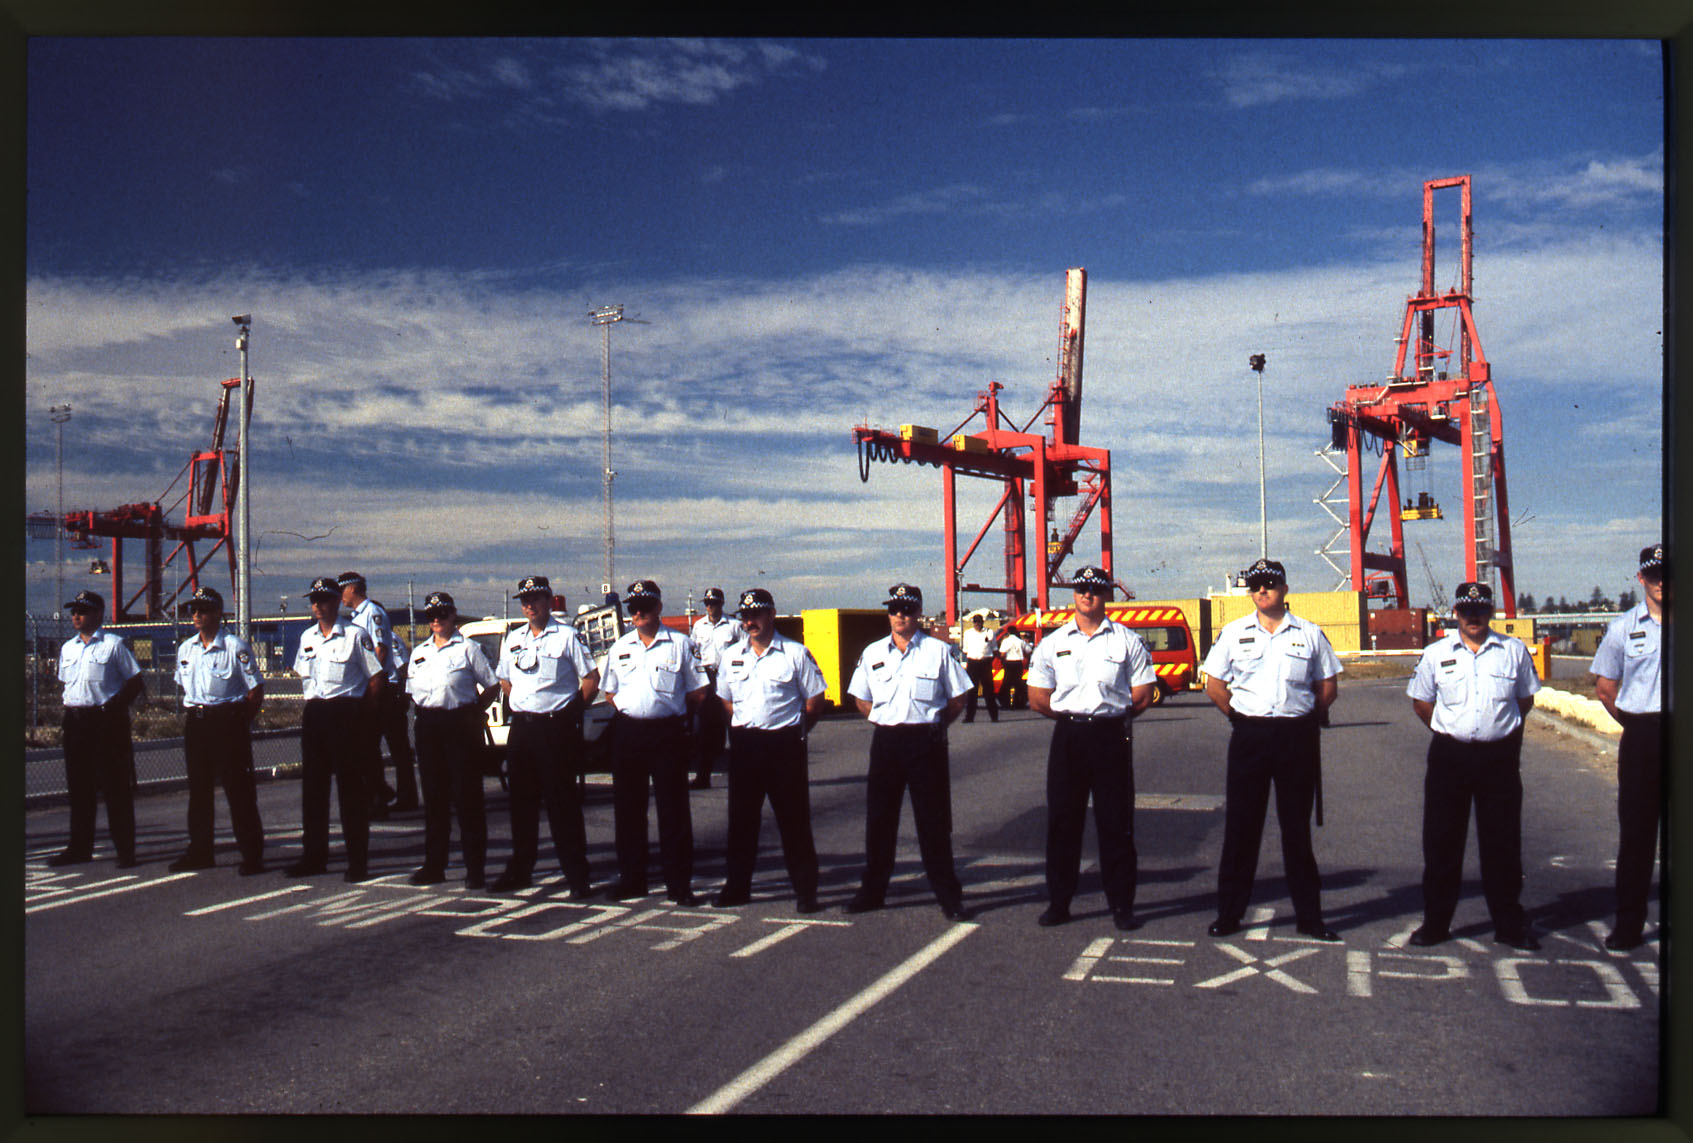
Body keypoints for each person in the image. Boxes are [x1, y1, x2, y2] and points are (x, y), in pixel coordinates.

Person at [1202, 558, 1343, 942]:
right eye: (1255, 585)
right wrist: (1239, 718)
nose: (1261, 590)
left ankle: (1310, 918)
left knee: (1296, 831)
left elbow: (1327, 686)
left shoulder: (1310, 634)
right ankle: (1230, 914)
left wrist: (1308, 718)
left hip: (1296, 738)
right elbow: (1214, 684)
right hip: (1250, 735)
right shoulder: (1233, 633)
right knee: (1241, 829)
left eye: (1269, 584)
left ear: (1284, 588)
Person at [1406, 580, 1542, 950]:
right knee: (1441, 844)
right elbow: (1422, 702)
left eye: (1480, 610)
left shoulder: (1513, 651)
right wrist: (1455, 730)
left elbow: (1524, 700)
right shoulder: (1436, 654)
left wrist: (1495, 731)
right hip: (1450, 757)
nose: (1474, 617)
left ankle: (1509, 925)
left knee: (1502, 844)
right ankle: (1436, 924)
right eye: (1467, 611)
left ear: (1491, 612)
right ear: (1456, 614)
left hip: (1499, 758)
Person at [1025, 566, 1157, 930]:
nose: (1088, 595)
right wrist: (1074, 717)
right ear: (1074, 595)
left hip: (1111, 737)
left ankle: (1121, 906)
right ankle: (1059, 902)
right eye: (1082, 589)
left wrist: (1106, 717)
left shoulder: (1127, 641)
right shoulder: (1053, 643)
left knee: (1116, 824)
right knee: (1063, 823)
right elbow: (1037, 697)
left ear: (1106, 596)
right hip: (1069, 737)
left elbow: (1143, 694)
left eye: (1096, 590)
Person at [843, 583, 972, 920]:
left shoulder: (938, 651)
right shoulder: (873, 653)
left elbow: (958, 698)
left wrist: (936, 725)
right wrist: (880, 719)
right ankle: (873, 891)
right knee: (880, 821)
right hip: (886, 742)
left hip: (925, 742)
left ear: (918, 613)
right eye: (894, 609)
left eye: (907, 609)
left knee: (933, 822)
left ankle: (948, 895)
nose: (900, 615)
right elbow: (860, 696)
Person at [712, 588, 828, 912]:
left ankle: (806, 891)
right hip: (746, 744)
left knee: (794, 821)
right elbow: (725, 698)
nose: (751, 622)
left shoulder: (795, 653)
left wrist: (796, 730)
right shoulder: (732, 656)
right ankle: (737, 888)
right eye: (746, 617)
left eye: (757, 615)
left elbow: (815, 701)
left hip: (784, 745)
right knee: (741, 822)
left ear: (771, 614)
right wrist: (741, 724)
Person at [492, 576, 601, 895]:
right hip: (522, 730)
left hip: (556, 729)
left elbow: (591, 679)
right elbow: (505, 680)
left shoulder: (567, 636)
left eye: (535, 598)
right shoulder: (513, 638)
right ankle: (521, 870)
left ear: (548, 600)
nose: (529, 604)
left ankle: (577, 876)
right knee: (521, 804)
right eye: (524, 600)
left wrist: (571, 713)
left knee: (561, 804)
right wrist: (521, 703)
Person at [602, 579, 708, 904]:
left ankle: (679, 885)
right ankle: (633, 880)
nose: (638, 613)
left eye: (645, 607)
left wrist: (672, 715)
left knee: (673, 812)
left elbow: (699, 691)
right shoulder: (620, 647)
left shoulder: (681, 644)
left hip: (667, 734)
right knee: (628, 812)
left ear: (658, 607)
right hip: (629, 734)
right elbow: (610, 691)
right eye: (633, 608)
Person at [1590, 543, 1669, 951]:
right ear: (1641, 578)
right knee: (1637, 836)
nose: (1662, 582)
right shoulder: (1623, 628)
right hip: (1642, 737)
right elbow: (1605, 688)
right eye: (1654, 575)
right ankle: (1628, 924)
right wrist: (1639, 726)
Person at [290, 575, 385, 881]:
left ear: (335, 602)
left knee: (351, 792)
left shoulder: (356, 635)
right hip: (317, 714)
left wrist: (361, 713)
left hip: (347, 714)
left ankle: (358, 861)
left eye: (323, 600)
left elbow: (375, 677)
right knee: (313, 791)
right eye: (313, 601)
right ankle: (314, 857)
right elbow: (303, 676)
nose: (317, 606)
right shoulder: (307, 638)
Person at [169, 586, 266, 875]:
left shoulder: (235, 647)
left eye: (203, 610)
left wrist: (238, 723)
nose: (197, 615)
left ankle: (252, 855)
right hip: (197, 722)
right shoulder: (186, 649)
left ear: (217, 614)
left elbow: (255, 690)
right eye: (193, 610)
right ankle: (200, 851)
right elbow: (183, 686)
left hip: (227, 722)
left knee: (239, 791)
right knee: (199, 791)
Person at [407, 591, 500, 888]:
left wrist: (473, 713)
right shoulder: (419, 652)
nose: (437, 621)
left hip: (460, 725)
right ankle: (435, 866)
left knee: (467, 799)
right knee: (434, 801)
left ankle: (475, 869)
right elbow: (412, 691)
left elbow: (492, 685)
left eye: (442, 615)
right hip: (429, 726)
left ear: (453, 615)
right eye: (431, 616)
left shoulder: (468, 649)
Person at [51, 589, 144, 868]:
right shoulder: (68, 648)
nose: (76, 616)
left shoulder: (113, 645)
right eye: (74, 611)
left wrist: (113, 709)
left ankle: (125, 851)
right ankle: (80, 848)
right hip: (76, 724)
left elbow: (135, 681)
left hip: (106, 724)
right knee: (79, 789)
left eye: (82, 611)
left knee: (116, 789)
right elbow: (65, 684)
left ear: (98, 614)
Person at [337, 573, 415, 819]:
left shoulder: (372, 613)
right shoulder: (358, 616)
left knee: (391, 746)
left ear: (352, 589)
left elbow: (380, 651)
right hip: (374, 686)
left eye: (342, 590)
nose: (341, 597)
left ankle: (397, 798)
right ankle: (381, 795)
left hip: (383, 688)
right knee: (368, 747)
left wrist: (373, 681)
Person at [690, 587, 738, 789]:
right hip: (707, 678)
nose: (710, 607)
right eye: (708, 603)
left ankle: (742, 776)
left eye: (714, 603)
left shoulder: (734, 626)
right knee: (706, 731)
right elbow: (693, 653)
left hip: (729, 677)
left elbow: (745, 650)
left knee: (735, 727)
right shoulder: (698, 626)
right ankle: (703, 777)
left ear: (722, 603)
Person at [960, 613, 999, 723]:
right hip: (973, 663)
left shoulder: (989, 632)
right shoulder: (968, 634)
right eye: (975, 622)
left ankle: (994, 716)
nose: (977, 624)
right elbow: (965, 649)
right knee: (972, 691)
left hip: (985, 662)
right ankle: (969, 717)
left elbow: (994, 647)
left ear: (982, 622)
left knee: (989, 691)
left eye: (979, 622)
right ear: (973, 623)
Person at [998, 626, 1031, 710]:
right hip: (1018, 663)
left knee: (1006, 684)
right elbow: (1029, 650)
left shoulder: (1005, 641)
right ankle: (1018, 703)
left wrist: (1002, 660)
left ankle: (1006, 704)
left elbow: (1002, 654)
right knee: (1018, 683)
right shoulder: (1020, 641)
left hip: (1009, 663)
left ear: (1008, 632)